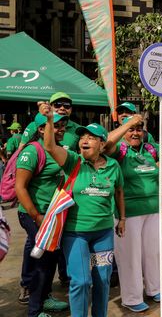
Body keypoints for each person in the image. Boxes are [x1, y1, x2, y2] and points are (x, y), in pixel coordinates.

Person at [39, 102, 126, 317]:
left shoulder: (113, 166)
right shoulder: (73, 162)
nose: (84, 140)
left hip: (103, 232)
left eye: (90, 137)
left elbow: (119, 192)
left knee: (102, 279)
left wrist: (122, 218)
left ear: (102, 143)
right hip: (76, 233)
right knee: (81, 280)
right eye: (82, 137)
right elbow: (50, 146)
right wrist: (50, 120)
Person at [103, 115, 162, 311]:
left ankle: (154, 288)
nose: (135, 133)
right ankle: (131, 297)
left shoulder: (150, 148)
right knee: (130, 255)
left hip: (153, 210)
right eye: (131, 129)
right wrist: (127, 124)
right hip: (127, 213)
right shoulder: (120, 149)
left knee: (154, 251)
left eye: (139, 129)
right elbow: (105, 145)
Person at [15, 112, 69, 317]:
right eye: (56, 126)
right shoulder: (32, 151)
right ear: (41, 129)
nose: (61, 128)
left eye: (63, 125)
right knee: (42, 261)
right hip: (33, 214)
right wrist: (37, 217)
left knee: (52, 257)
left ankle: (45, 298)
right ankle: (34, 310)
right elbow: (20, 187)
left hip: (52, 214)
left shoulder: (58, 150)